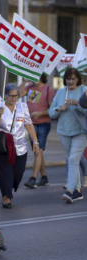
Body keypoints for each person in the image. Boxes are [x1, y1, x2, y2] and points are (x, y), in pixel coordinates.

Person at [0, 83, 39, 209]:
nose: (13, 99)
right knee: (5, 174)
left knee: (18, 174)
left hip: (20, 146)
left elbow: (28, 124)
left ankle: (9, 188)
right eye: (11, 96)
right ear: (5, 95)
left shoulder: (22, 107)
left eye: (16, 96)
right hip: (3, 146)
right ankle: (6, 198)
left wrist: (35, 141)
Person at [49, 68, 87, 203]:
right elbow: (51, 113)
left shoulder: (84, 90)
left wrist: (78, 104)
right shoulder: (60, 92)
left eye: (73, 79)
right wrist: (59, 108)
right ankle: (77, 191)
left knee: (73, 159)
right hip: (64, 131)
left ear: (78, 79)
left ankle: (70, 191)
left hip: (81, 131)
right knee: (71, 161)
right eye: (68, 79)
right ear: (64, 79)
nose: (71, 81)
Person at [19, 74, 56, 188]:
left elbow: (52, 109)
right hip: (31, 124)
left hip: (43, 124)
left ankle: (33, 178)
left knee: (38, 150)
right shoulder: (29, 87)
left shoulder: (48, 89)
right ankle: (44, 177)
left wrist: (40, 114)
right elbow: (19, 94)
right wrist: (25, 81)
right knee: (37, 152)